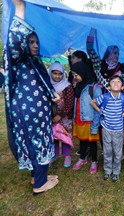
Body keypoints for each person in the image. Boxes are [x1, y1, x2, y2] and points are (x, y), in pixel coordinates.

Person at [3, 0, 59, 194]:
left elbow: (43, 83)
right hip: (29, 113)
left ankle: (38, 176)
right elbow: (15, 43)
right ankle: (40, 185)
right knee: (36, 144)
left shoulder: (33, 61)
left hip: (37, 113)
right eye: (31, 42)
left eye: (36, 42)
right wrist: (20, 9)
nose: (35, 45)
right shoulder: (18, 58)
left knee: (39, 142)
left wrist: (52, 95)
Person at [91, 75, 124, 182]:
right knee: (107, 150)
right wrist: (100, 111)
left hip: (119, 129)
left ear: (122, 85)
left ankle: (116, 172)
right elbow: (93, 102)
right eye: (113, 81)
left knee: (118, 151)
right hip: (106, 128)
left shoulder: (123, 97)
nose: (115, 83)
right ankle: (107, 170)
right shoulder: (105, 96)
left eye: (118, 82)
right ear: (109, 86)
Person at [71, 61, 102, 174]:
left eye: (76, 75)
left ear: (83, 72)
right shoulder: (78, 86)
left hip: (90, 120)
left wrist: (95, 123)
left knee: (92, 142)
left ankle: (94, 161)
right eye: (74, 75)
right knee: (82, 140)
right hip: (80, 118)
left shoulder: (94, 88)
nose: (75, 77)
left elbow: (98, 108)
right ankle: (82, 158)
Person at [49, 63, 74, 168]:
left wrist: (60, 115)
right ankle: (54, 155)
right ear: (50, 73)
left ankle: (67, 156)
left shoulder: (67, 86)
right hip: (51, 115)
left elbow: (69, 103)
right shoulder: (47, 85)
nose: (57, 76)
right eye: (55, 73)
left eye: (60, 74)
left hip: (64, 117)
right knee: (54, 135)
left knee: (65, 136)